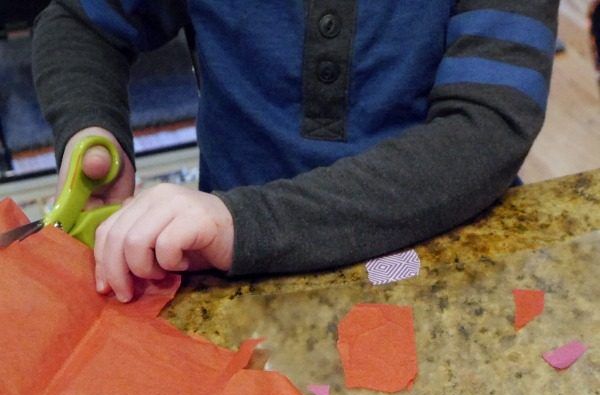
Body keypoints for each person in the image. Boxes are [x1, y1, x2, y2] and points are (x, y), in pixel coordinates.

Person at [33, 1, 559, 302]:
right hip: (240, 271)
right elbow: (81, 22)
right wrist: (90, 127)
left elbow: (484, 130)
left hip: (432, 257)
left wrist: (244, 223)